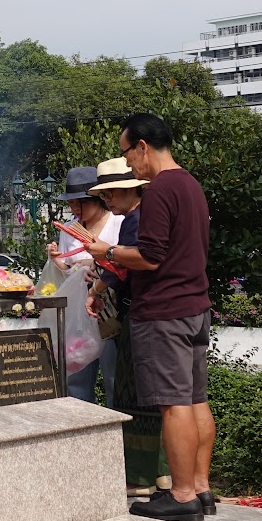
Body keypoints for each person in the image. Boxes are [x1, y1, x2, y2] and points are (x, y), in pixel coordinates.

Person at [85, 113, 214, 521]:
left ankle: (181, 496)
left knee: (173, 405)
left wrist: (106, 252)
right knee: (195, 399)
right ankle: (201, 488)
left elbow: (150, 256)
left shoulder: (159, 190)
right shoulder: (191, 184)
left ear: (142, 146)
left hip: (164, 312)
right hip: (195, 306)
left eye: (127, 154)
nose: (128, 164)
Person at [45, 166, 119, 401]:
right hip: (78, 311)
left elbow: (124, 262)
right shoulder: (69, 229)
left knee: (114, 376)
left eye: (82, 202)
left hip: (110, 311)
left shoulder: (118, 222)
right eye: (71, 203)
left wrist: (96, 263)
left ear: (98, 199)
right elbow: (68, 270)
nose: (76, 209)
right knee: (77, 376)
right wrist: (56, 261)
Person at [85, 157, 148, 409]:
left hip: (141, 310)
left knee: (135, 393)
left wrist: (95, 288)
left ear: (130, 189)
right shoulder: (138, 216)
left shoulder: (135, 219)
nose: (107, 199)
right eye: (103, 195)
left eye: (110, 193)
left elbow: (125, 263)